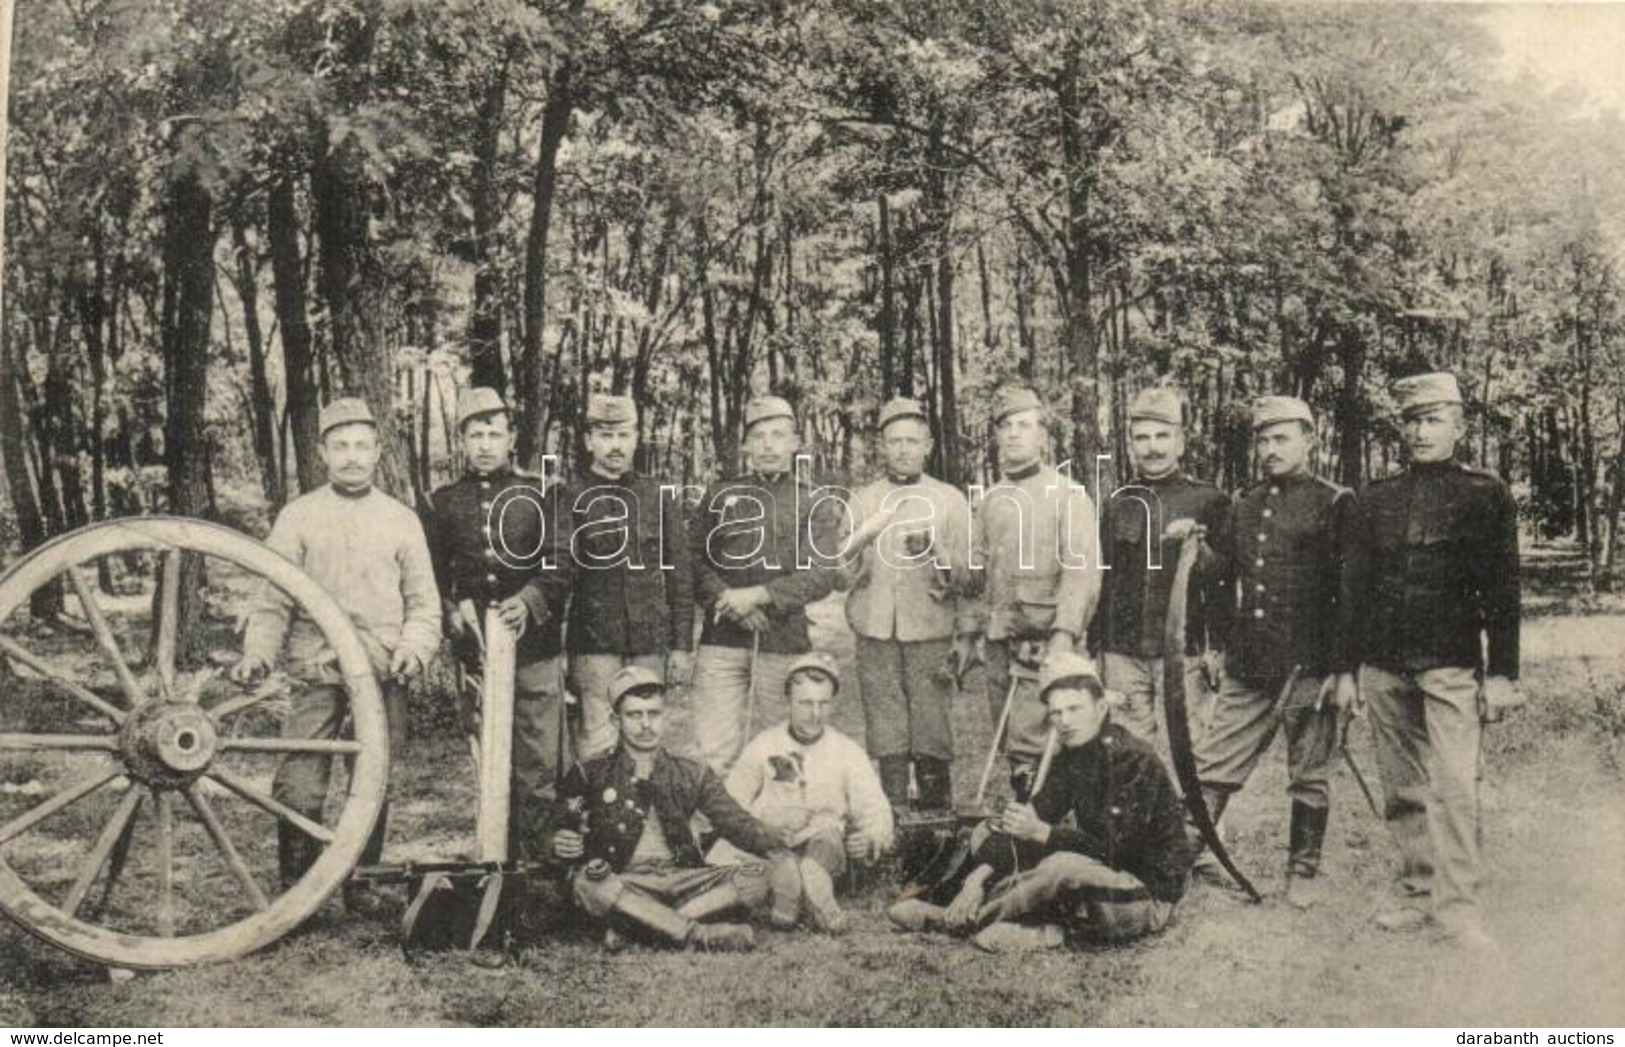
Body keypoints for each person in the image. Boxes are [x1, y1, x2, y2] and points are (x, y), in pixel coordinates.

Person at [234, 397, 441, 914]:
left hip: (381, 673)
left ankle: (363, 883)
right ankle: (298, 895)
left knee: (375, 781)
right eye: (341, 446)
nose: (352, 456)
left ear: (377, 452)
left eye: (362, 446)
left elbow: (423, 604)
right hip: (317, 673)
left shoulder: (401, 521)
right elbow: (272, 601)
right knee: (299, 784)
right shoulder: (299, 517)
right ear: (323, 452)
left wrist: (414, 650)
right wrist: (257, 655)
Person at [1357, 373, 1521, 950]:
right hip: (1383, 665)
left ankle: (1458, 908)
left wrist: (1500, 673)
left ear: (1458, 425)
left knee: (1455, 787)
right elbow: (1357, 587)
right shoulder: (1376, 498)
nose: (1421, 431)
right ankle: (1417, 890)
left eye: (1433, 419)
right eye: (1412, 420)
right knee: (1402, 789)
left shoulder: (1484, 494)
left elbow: (1503, 590)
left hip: (1449, 664)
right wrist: (1353, 666)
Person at [886, 652, 1191, 952]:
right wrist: (976, 879)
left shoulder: (1131, 759)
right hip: (1098, 879)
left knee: (1060, 866)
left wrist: (1043, 833)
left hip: (1143, 894)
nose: (1065, 721)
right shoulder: (1074, 754)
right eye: (1056, 713)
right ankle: (1040, 929)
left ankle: (964, 921)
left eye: (1075, 709)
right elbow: (1031, 818)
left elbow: (1119, 851)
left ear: (1100, 708)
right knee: (987, 834)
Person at [1191, 396, 1360, 907]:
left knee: (1309, 775)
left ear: (1310, 440)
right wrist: (1218, 641)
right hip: (1250, 662)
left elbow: (1351, 594)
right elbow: (1222, 580)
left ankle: (1302, 871)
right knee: (1215, 762)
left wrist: (1344, 670)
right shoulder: (1245, 503)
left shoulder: (1335, 502)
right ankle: (1186, 849)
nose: (1270, 449)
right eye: (1263, 439)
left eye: (1282, 438)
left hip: (1311, 667)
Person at [543, 666, 795, 951]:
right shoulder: (590, 772)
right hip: (625, 882)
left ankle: (639, 928)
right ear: (616, 720)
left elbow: (735, 822)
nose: (646, 724)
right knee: (587, 882)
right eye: (634, 715)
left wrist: (778, 846)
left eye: (654, 713)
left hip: (684, 879)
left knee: (757, 875)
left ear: (666, 717)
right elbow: (554, 828)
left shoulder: (691, 772)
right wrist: (556, 842)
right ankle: (697, 935)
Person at [422, 387, 569, 853]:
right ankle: (495, 858)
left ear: (511, 438)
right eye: (475, 434)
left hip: (535, 651)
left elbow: (563, 560)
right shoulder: (441, 503)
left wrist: (528, 601)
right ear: (461, 441)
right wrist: (450, 613)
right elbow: (431, 576)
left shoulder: (541, 493)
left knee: (539, 760)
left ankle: (539, 860)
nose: (485, 444)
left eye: (494, 433)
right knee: (488, 757)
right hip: (476, 655)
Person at [688, 395, 846, 775]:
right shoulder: (719, 496)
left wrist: (761, 597)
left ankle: (776, 827)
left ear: (795, 443)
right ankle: (714, 831)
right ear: (745, 445)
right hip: (721, 640)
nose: (769, 445)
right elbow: (691, 560)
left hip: (782, 641)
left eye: (779, 435)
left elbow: (820, 575)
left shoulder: (814, 502)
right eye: (759, 436)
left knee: (781, 749)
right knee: (714, 751)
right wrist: (728, 601)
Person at [955, 385, 1102, 793]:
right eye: (1006, 427)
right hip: (1001, 640)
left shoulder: (1068, 496)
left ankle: (1058, 829)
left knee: (1053, 734)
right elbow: (975, 576)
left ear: (1042, 436)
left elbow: (1081, 573)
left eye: (1025, 425)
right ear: (997, 436)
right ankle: (1027, 825)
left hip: (1046, 641)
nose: (1015, 434)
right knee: (1013, 741)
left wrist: (1064, 635)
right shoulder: (990, 501)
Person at [841, 397, 975, 810]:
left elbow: (972, 577)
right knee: (886, 729)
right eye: (893, 441)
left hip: (930, 632)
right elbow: (838, 570)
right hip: (875, 631)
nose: (902, 449)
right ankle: (892, 820)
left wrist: (937, 550)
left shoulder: (950, 500)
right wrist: (858, 549)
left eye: (911, 441)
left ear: (928, 445)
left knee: (931, 727)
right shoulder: (862, 500)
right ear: (881, 446)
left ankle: (937, 824)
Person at [1095, 387, 1230, 759]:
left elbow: (1225, 581)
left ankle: (1196, 821)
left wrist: (1217, 646)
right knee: (1127, 751)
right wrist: (1098, 651)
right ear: (1130, 444)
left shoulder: (1209, 501)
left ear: (1180, 442)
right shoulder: (1118, 502)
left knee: (1188, 752)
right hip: (1123, 653)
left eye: (1161, 436)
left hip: (1183, 653)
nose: (1152, 448)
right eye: (1142, 438)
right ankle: (1136, 821)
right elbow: (1103, 579)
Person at [561, 393, 694, 761]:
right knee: (598, 739)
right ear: (589, 441)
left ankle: (645, 816)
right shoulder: (569, 496)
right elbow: (558, 578)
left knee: (646, 733)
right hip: (593, 644)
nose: (615, 446)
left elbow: (679, 575)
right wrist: (560, 648)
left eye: (623, 435)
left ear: (637, 438)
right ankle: (601, 816)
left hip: (648, 642)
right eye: (605, 435)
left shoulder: (658, 496)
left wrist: (681, 644)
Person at [722, 652, 894, 933]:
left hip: (823, 842)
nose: (815, 714)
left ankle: (819, 898)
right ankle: (789, 898)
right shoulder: (764, 745)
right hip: (774, 840)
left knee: (822, 851)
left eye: (823, 704)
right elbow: (730, 804)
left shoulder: (847, 751)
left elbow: (876, 809)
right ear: (788, 702)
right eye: (805, 704)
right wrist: (766, 823)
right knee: (780, 861)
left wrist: (871, 836)